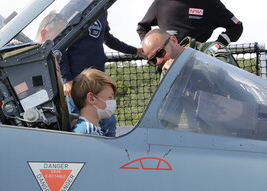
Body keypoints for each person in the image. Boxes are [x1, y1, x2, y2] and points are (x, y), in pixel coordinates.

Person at [59, 0, 145, 137]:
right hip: (77, 78)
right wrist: (66, 79)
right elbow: (61, 44)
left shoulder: (101, 9)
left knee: (109, 123)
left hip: (98, 77)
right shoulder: (71, 8)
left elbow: (108, 39)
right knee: (78, 123)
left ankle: (108, 154)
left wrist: (134, 51)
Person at [137, 0, 243, 46]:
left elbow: (236, 26)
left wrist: (213, 47)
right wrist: (156, 51)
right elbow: (142, 28)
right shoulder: (161, 2)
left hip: (199, 66)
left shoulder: (210, 3)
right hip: (168, 67)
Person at [142, 28, 238, 75]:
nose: (159, 61)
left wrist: (184, 68)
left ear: (174, 41)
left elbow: (228, 74)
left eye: (160, 53)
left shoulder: (209, 51)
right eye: (153, 60)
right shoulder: (168, 72)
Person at [71, 68, 117, 136]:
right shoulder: (87, 132)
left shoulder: (90, 129)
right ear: (91, 98)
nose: (113, 101)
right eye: (109, 97)